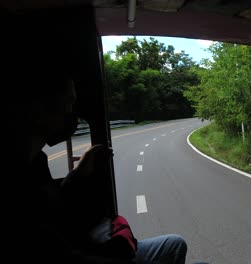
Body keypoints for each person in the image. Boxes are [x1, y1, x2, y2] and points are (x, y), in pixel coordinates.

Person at [8, 60, 188, 264]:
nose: (72, 113)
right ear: (38, 109)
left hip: (87, 242)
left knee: (175, 243)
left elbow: (58, 206)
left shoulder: (36, 161)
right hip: (87, 251)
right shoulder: (16, 179)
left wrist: (79, 172)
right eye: (68, 103)